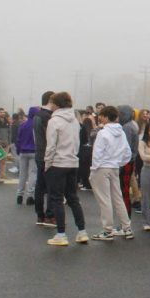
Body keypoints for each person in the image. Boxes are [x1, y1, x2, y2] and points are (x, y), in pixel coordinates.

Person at [44, 92, 87, 245]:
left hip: (57, 163)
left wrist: (47, 164)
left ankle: (61, 234)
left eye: (52, 102)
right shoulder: (75, 120)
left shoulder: (54, 121)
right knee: (73, 198)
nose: (51, 105)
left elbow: (51, 146)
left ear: (57, 104)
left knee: (56, 199)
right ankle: (82, 232)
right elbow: (77, 142)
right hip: (72, 162)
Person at [88, 106, 133, 241]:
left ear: (106, 117)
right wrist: (118, 163)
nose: (100, 118)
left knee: (104, 199)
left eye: (102, 116)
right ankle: (127, 228)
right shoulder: (122, 132)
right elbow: (127, 153)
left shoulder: (103, 133)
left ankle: (108, 230)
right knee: (118, 198)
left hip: (101, 167)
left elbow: (97, 153)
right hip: (114, 167)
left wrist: (94, 169)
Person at [32, 93, 55, 224]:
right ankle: (50, 215)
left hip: (38, 154)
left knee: (39, 186)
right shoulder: (49, 117)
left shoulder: (36, 116)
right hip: (48, 155)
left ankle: (39, 215)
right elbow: (51, 138)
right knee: (51, 186)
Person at [14, 106, 38, 206]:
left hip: (23, 151)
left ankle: (19, 195)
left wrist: (19, 150)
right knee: (32, 173)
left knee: (22, 174)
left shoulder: (23, 125)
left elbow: (18, 139)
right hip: (34, 151)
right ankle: (30, 196)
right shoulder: (36, 125)